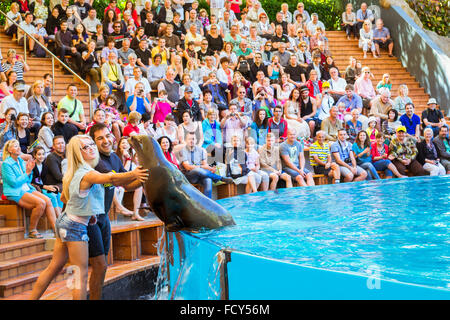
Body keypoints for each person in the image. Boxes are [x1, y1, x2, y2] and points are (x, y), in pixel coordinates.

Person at [30, 134, 148, 300]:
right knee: (81, 274)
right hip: (74, 227)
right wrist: (134, 173)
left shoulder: (75, 171)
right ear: (78, 152)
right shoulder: (86, 173)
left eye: (92, 144)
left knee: (54, 267)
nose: (91, 147)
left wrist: (86, 210)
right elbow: (112, 178)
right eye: (85, 147)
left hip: (66, 221)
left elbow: (65, 198)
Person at [2, 139, 56, 239]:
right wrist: (27, 172)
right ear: (9, 150)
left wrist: (30, 171)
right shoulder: (6, 164)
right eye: (15, 146)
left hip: (27, 188)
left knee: (48, 200)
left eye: (18, 145)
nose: (18, 148)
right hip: (15, 191)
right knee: (41, 203)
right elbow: (14, 183)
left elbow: (28, 180)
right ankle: (32, 230)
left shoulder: (21, 161)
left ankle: (56, 230)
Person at [181, 132, 232, 198]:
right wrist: (202, 167)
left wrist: (210, 169)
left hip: (201, 175)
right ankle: (220, 178)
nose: (192, 141)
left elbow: (205, 165)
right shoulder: (183, 151)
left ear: (196, 140)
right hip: (189, 176)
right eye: (189, 139)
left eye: (193, 139)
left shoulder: (200, 150)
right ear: (186, 140)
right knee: (198, 169)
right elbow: (187, 167)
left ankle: (208, 204)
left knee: (208, 180)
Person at [115, 137, 145, 221]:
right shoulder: (115, 156)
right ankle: (119, 208)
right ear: (119, 146)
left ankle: (136, 213)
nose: (125, 145)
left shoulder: (132, 157)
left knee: (139, 187)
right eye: (122, 143)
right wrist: (127, 159)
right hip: (118, 180)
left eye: (127, 143)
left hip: (126, 182)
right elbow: (124, 172)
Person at [31, 146, 63, 218]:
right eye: (39, 154)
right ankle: (59, 218)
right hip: (36, 188)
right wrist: (45, 187)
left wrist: (52, 186)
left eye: (43, 154)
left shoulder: (44, 166)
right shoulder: (32, 166)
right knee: (52, 196)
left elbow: (45, 180)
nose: (41, 156)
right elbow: (32, 181)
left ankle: (58, 217)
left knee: (59, 195)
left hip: (44, 187)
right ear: (34, 155)